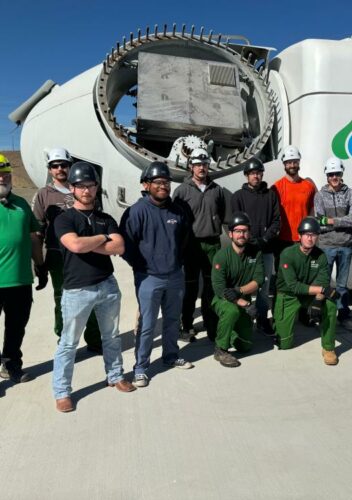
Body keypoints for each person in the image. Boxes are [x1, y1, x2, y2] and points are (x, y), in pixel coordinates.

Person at [52, 162, 135, 413]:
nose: (86, 190)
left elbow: (119, 247)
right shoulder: (64, 218)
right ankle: (62, 392)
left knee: (111, 336)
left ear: (97, 187)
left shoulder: (106, 218)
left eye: (90, 185)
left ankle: (115, 375)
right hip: (77, 290)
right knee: (68, 343)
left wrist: (91, 242)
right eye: (80, 186)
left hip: (107, 285)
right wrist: (101, 238)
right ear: (72, 188)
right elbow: (75, 245)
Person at [120, 161, 193, 388]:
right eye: (158, 182)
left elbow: (184, 239)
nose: (164, 186)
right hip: (148, 277)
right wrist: (142, 267)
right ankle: (141, 367)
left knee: (172, 320)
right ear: (146, 184)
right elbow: (126, 244)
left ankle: (170, 356)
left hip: (174, 275)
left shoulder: (177, 211)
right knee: (148, 324)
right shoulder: (137, 211)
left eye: (166, 182)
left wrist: (177, 263)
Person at [32, 147, 102, 353]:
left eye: (64, 164)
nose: (60, 169)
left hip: (86, 255)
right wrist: (40, 263)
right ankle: (64, 340)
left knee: (91, 298)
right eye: (55, 166)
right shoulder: (44, 194)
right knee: (62, 301)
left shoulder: (84, 191)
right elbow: (37, 230)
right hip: (58, 257)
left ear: (70, 166)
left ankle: (94, 340)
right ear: (50, 169)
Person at [0, 154, 48, 383]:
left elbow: (34, 237)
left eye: (5, 174)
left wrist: (40, 266)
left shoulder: (20, 204)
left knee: (16, 327)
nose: (2, 178)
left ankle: (11, 365)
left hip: (20, 280)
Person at [173, 148, 226, 342]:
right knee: (190, 287)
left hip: (212, 243)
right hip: (191, 245)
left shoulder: (216, 189)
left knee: (211, 286)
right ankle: (186, 325)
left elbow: (221, 212)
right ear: (191, 167)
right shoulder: (182, 190)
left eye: (204, 164)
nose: (201, 168)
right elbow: (174, 218)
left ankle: (210, 321)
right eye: (197, 164)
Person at [274, 217, 338, 365]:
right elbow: (294, 286)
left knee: (330, 305)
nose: (310, 238)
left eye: (314, 234)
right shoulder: (287, 254)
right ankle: (279, 322)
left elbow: (323, 281)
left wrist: (318, 300)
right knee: (285, 344)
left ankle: (328, 348)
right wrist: (323, 290)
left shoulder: (320, 256)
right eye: (307, 234)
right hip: (288, 296)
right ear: (300, 236)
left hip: (309, 294)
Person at [230, 158, 280, 336]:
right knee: (243, 285)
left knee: (264, 287)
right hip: (245, 250)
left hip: (265, 249)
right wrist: (248, 241)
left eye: (258, 173)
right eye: (252, 173)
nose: (255, 176)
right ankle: (243, 319)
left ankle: (261, 320)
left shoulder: (271, 195)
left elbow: (276, 221)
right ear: (246, 175)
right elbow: (234, 224)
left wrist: (265, 239)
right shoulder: (238, 197)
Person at [211, 212, 264, 367]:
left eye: (245, 231)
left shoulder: (255, 253)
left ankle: (228, 330)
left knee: (245, 346)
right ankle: (220, 349)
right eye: (238, 231)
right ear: (230, 233)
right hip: (222, 300)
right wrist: (245, 304)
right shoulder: (221, 256)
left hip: (240, 297)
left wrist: (239, 291)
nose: (242, 234)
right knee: (231, 311)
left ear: (249, 233)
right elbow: (220, 289)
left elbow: (258, 280)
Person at [314, 157, 352, 331]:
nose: (334, 177)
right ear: (327, 175)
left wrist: (331, 220)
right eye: (331, 174)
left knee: (342, 285)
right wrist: (340, 221)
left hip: (346, 245)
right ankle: (323, 314)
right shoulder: (320, 195)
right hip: (326, 246)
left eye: (337, 174)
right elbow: (320, 223)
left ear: (342, 174)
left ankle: (344, 315)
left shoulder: (351, 193)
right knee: (323, 283)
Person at [272, 145, 316, 260]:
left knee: (302, 275)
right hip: (282, 239)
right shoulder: (276, 187)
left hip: (303, 240)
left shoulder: (309, 187)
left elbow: (312, 212)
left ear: (299, 162)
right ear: (284, 164)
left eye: (295, 162)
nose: (292, 165)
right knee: (281, 276)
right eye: (288, 162)